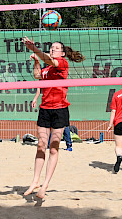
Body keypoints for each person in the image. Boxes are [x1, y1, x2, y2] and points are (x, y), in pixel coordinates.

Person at [21, 37, 84, 199]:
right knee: (41, 145)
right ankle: (35, 181)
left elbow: (48, 59)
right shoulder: (47, 68)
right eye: (51, 47)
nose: (52, 49)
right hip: (45, 109)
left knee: (54, 148)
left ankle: (45, 184)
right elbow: (37, 77)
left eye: (56, 48)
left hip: (60, 109)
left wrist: (34, 49)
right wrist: (36, 62)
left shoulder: (62, 63)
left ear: (62, 53)